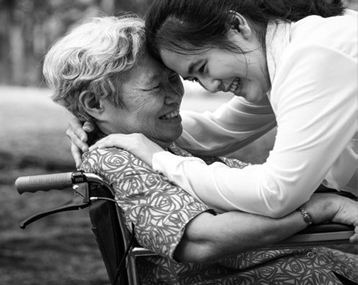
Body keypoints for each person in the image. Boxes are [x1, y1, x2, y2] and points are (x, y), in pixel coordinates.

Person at [43, 14, 358, 285]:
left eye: (174, 79)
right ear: (96, 103)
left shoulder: (160, 145)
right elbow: (201, 240)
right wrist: (320, 208)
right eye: (156, 86)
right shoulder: (116, 157)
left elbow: (232, 146)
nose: (174, 95)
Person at [84, 0, 358, 218]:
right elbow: (218, 131)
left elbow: (275, 193)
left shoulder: (314, 55)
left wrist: (158, 159)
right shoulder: (284, 56)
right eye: (194, 79)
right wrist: (103, 122)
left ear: (235, 26)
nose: (211, 87)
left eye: (203, 67)